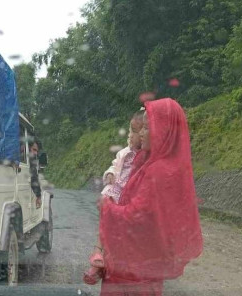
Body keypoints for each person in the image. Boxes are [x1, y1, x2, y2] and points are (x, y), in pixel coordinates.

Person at [97, 98, 203, 295]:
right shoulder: (159, 165)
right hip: (143, 271)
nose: (141, 133)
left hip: (132, 276)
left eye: (147, 127)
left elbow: (137, 218)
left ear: (163, 130)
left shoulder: (157, 171)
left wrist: (107, 207)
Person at [84, 110, 145, 285]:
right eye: (131, 130)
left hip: (130, 199)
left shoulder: (149, 158)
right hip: (116, 192)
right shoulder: (124, 152)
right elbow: (113, 166)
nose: (132, 135)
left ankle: (100, 263)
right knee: (106, 222)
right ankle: (98, 254)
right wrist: (109, 174)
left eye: (137, 130)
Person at [28, 139, 42, 208]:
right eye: (34, 149)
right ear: (28, 148)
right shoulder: (30, 160)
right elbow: (33, 178)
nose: (36, 153)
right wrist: (39, 196)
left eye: (37, 151)